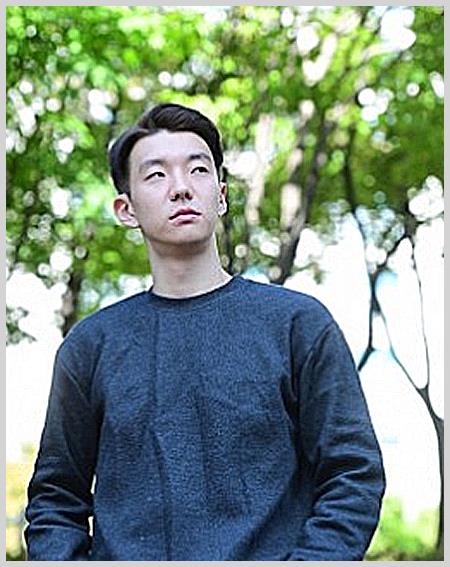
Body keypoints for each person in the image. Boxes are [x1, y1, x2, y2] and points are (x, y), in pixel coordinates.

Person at [25, 102, 385, 561]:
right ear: (126, 209)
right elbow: (56, 498)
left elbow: (352, 473)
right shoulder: (89, 347)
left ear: (221, 195)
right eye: (156, 175)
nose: (181, 188)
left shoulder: (298, 325)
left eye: (197, 169)